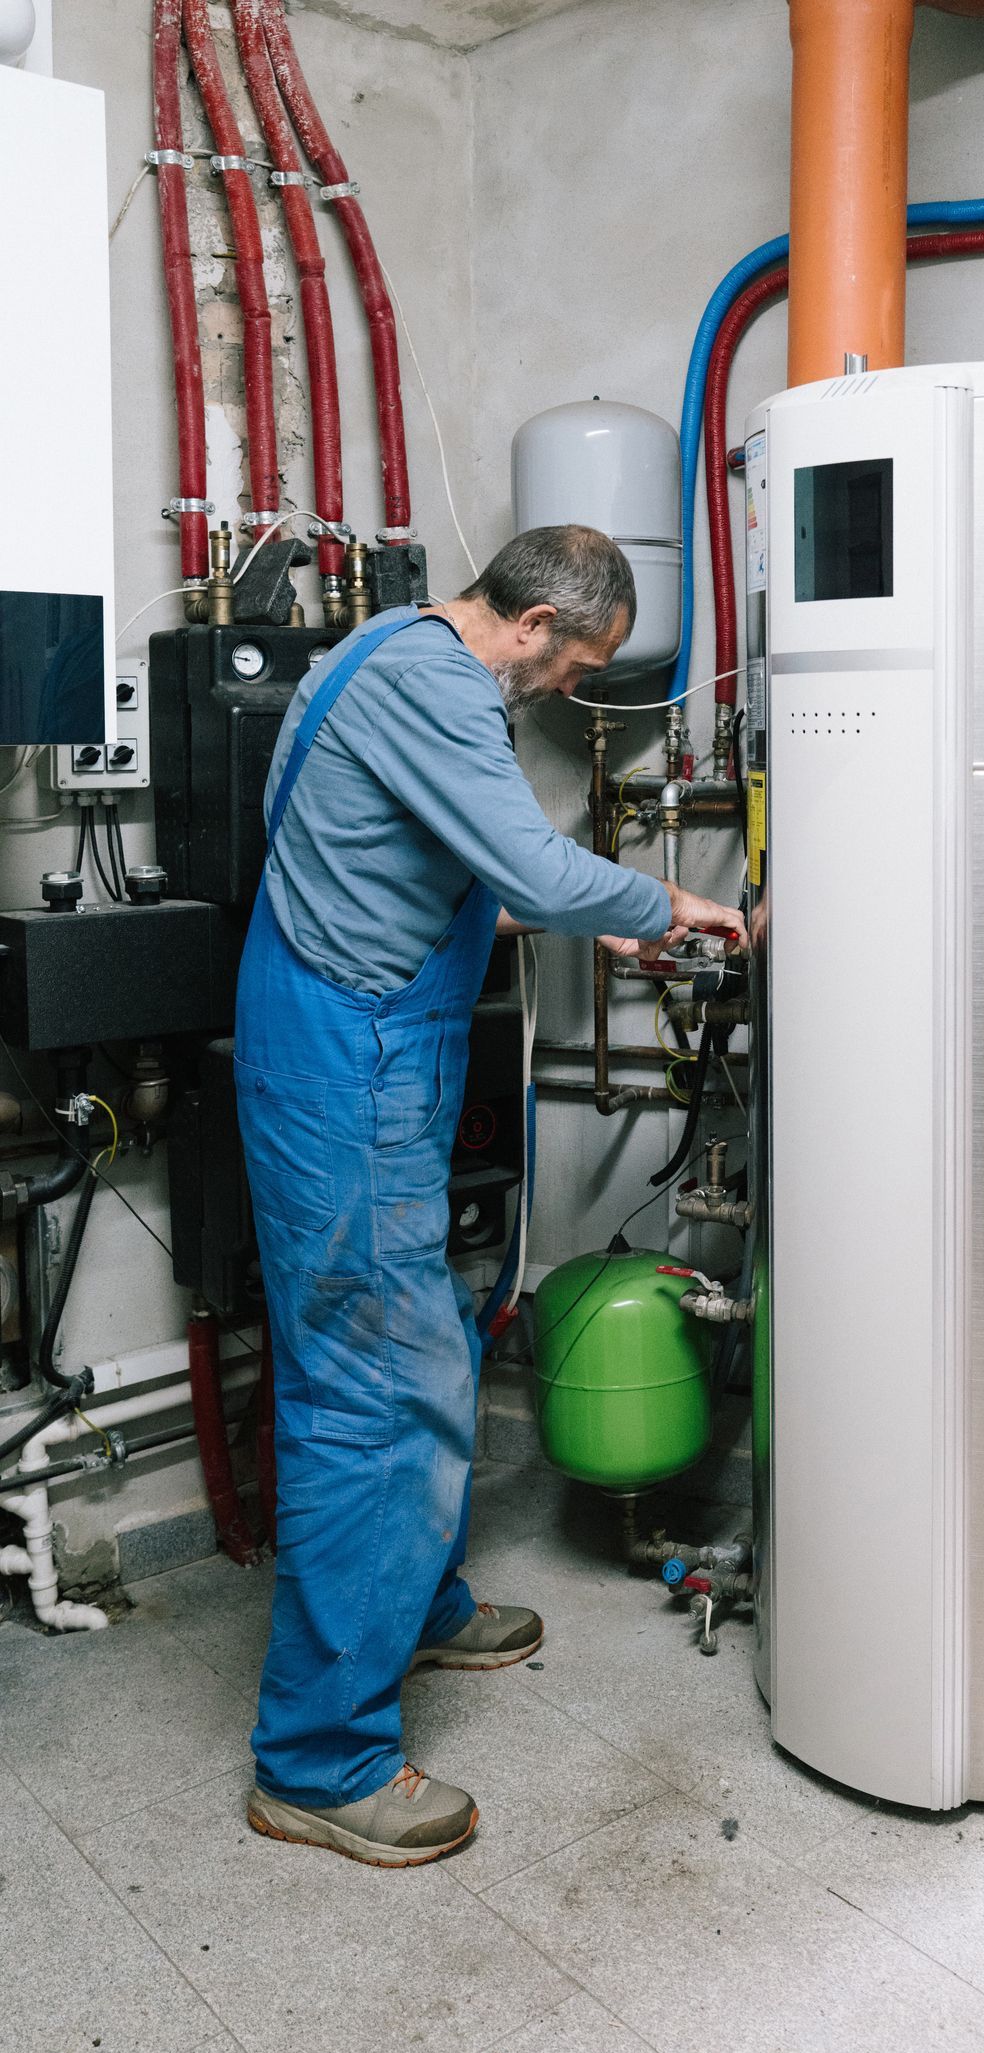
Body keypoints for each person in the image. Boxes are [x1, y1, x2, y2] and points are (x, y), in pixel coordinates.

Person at [234, 525, 742, 1867]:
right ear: (528, 626)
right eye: (574, 670)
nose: (566, 691)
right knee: (369, 1390)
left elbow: (412, 862)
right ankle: (316, 1762)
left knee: (428, 1342)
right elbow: (523, 859)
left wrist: (595, 919)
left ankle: (415, 1607)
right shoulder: (435, 680)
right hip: (346, 1059)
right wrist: (676, 904)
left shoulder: (394, 658)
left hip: (369, 1045)